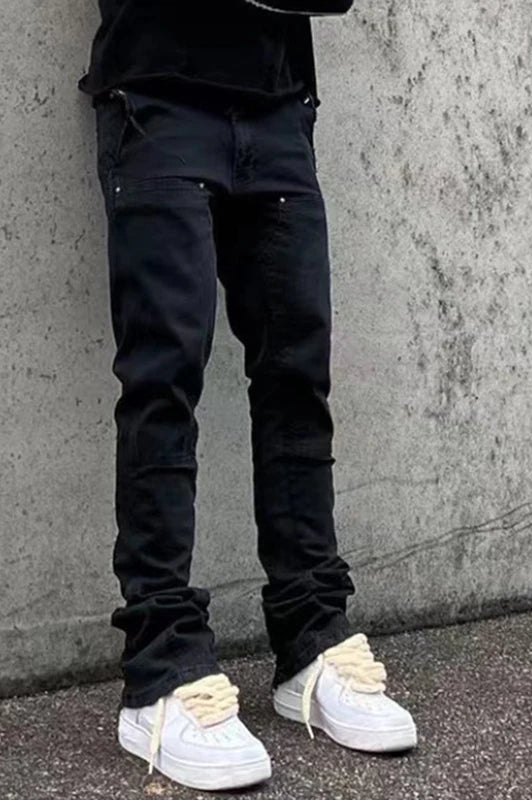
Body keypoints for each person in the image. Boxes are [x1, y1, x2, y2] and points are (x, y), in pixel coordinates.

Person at [78, 0, 417, 790]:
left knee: (297, 376)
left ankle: (310, 637)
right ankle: (161, 669)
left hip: (277, 100)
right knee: (164, 378)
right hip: (157, 94)